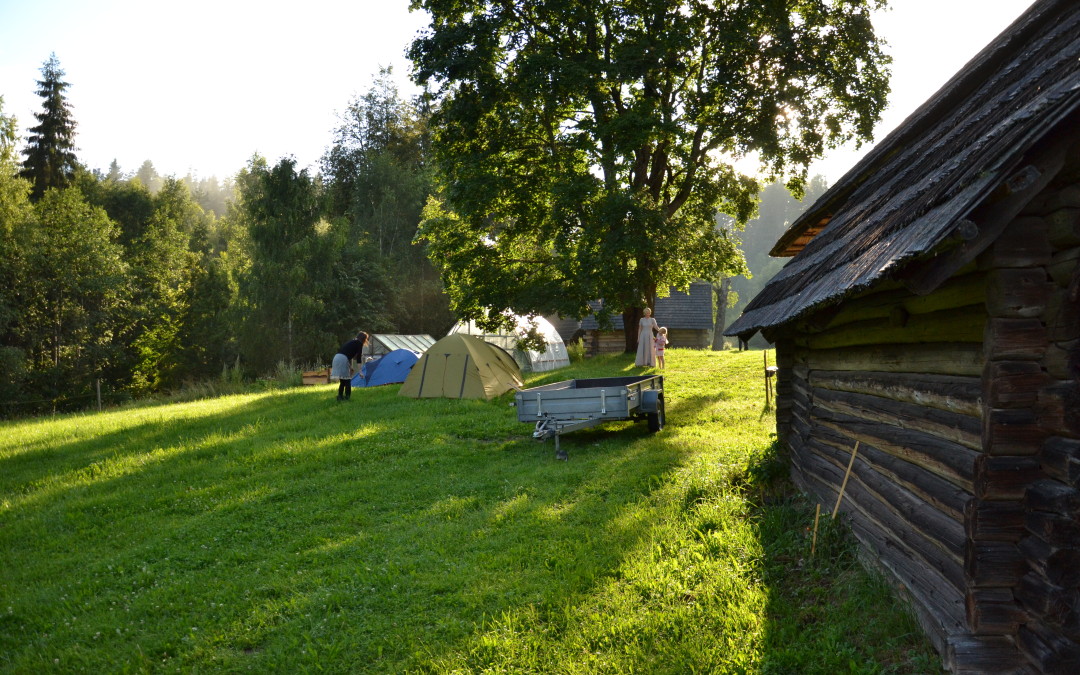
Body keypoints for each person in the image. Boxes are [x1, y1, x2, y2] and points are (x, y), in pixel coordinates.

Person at [331, 331, 368, 401]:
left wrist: (350, 367)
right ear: (364, 339)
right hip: (343, 359)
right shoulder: (359, 344)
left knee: (343, 380)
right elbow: (358, 359)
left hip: (336, 357)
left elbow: (349, 355)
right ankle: (347, 397)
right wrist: (360, 371)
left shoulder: (352, 342)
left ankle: (340, 396)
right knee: (347, 380)